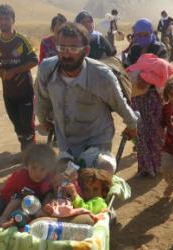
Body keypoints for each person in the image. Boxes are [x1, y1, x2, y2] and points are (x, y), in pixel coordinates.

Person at [35, 22, 138, 165]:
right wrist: (43, 120)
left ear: (86, 51)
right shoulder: (47, 69)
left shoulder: (101, 75)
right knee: (67, 184)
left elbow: (120, 104)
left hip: (97, 141)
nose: (66, 54)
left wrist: (132, 126)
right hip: (66, 141)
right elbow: (42, 99)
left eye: (73, 48)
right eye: (62, 47)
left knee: (91, 183)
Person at [0, 4, 38, 151]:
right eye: (0, 19)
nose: (3, 22)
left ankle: (29, 158)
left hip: (25, 91)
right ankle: (26, 151)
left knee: (27, 126)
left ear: (13, 20)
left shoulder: (21, 40)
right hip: (8, 93)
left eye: (6, 19)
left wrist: (14, 71)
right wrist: (1, 70)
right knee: (17, 126)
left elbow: (34, 60)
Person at [126, 53, 173, 177]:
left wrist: (146, 80)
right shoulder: (138, 53)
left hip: (150, 101)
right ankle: (147, 167)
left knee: (154, 133)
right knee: (143, 134)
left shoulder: (158, 59)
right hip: (141, 101)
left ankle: (156, 165)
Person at [0, 144, 56, 228]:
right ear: (26, 166)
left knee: (50, 194)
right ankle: (3, 220)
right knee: (18, 197)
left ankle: (42, 215)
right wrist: (20, 203)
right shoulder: (19, 177)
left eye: (43, 169)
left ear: (49, 168)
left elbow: (55, 191)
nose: (38, 173)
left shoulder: (50, 178)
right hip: (21, 205)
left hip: (37, 208)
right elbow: (5, 193)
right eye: (33, 168)